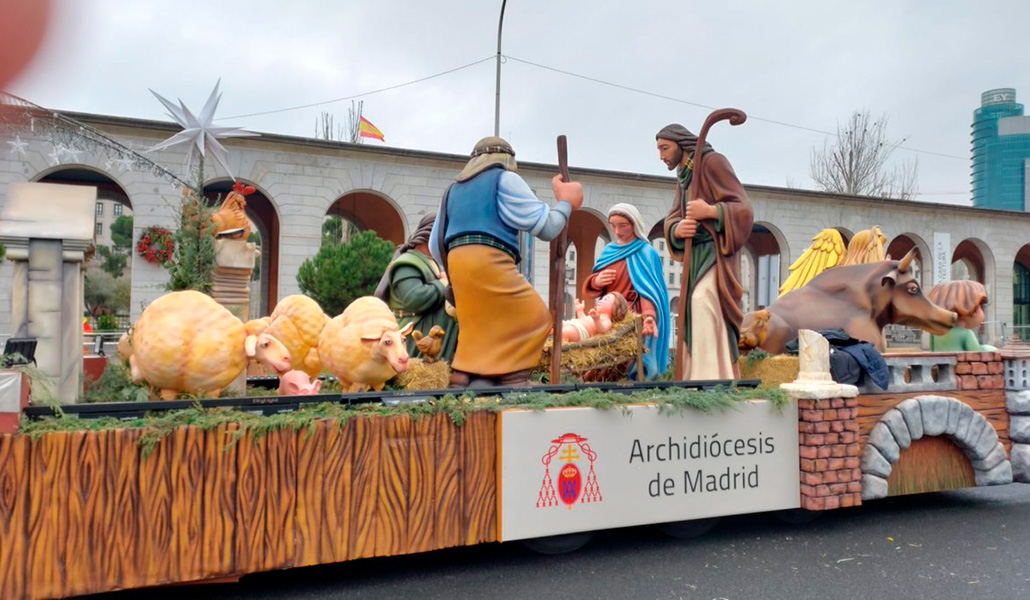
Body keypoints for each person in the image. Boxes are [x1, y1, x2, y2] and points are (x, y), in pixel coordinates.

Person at [430, 136, 583, 387]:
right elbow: (547, 227)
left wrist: (457, 267)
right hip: (490, 259)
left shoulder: (452, 190)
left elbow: (436, 245)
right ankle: (512, 377)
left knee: (477, 325)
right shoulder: (504, 179)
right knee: (535, 318)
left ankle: (464, 374)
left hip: (457, 264)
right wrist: (567, 203)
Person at [658, 123, 753, 380]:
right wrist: (678, 229)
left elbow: (743, 209)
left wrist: (711, 211)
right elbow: (673, 217)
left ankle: (714, 376)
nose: (661, 155)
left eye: (665, 148)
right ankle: (694, 375)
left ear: (681, 144)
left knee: (703, 301)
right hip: (696, 256)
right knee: (690, 310)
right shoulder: (685, 175)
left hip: (716, 256)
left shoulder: (713, 163)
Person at [583, 203, 670, 378]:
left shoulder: (646, 252)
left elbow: (649, 290)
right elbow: (594, 281)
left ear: (634, 225)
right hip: (609, 312)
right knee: (604, 352)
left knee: (628, 357)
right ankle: (599, 381)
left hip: (633, 313)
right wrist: (597, 281)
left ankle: (630, 381)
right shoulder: (609, 250)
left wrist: (649, 316)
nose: (617, 231)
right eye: (613, 225)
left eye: (622, 225)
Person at [374, 212, 458, 363]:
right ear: (432, 236)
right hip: (412, 332)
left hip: (425, 326)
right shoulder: (407, 263)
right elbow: (414, 299)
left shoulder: (428, 261)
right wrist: (442, 284)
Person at [926, 280, 997, 352]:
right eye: (980, 305)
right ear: (973, 310)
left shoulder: (934, 334)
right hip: (960, 362)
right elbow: (976, 352)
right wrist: (990, 348)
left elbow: (932, 351)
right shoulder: (966, 334)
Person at [561, 292, 629, 344]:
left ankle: (559, 348)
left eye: (606, 299)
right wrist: (579, 310)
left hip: (580, 332)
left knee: (564, 333)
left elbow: (602, 329)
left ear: (615, 308)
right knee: (556, 326)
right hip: (573, 324)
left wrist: (597, 319)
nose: (601, 300)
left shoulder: (607, 320)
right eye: (602, 298)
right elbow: (583, 319)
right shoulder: (595, 315)